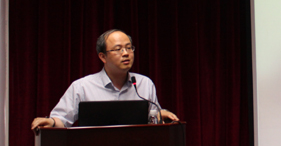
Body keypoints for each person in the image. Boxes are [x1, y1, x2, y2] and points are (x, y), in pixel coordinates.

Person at [31, 29, 178, 129]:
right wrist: (51, 122)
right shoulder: (82, 87)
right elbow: (61, 119)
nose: (126, 53)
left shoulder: (144, 84)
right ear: (103, 57)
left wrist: (160, 115)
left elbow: (153, 119)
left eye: (129, 48)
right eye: (118, 49)